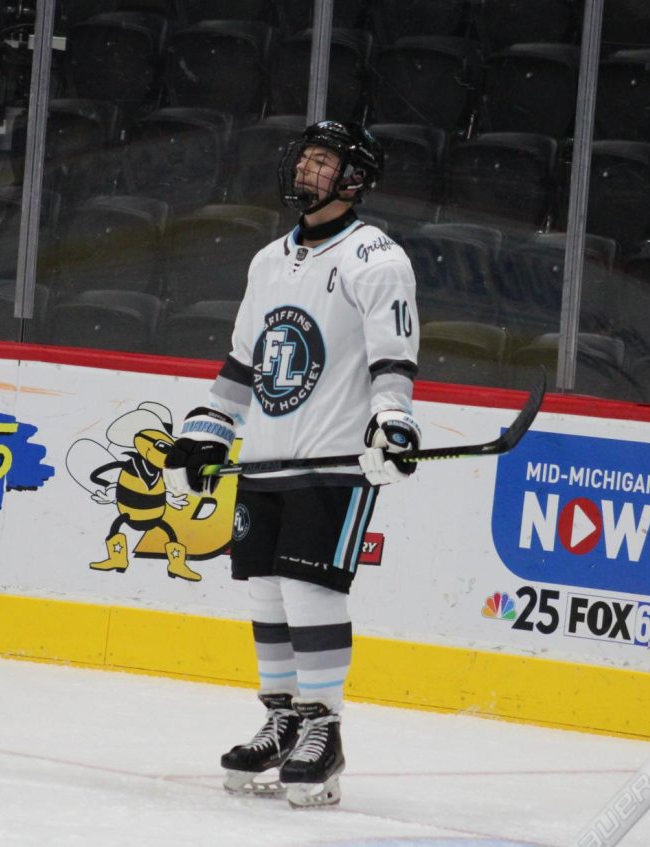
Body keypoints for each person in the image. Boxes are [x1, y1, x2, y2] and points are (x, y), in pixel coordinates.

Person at [162, 120, 421, 808]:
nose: (306, 171)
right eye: (304, 159)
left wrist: (392, 422)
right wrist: (209, 432)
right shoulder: (269, 259)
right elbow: (244, 364)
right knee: (265, 593)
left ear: (354, 179)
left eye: (322, 162)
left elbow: (393, 359)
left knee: (311, 592)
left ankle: (323, 727)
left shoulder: (378, 258)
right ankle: (282, 718)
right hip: (268, 458)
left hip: (334, 457)